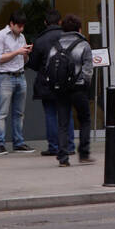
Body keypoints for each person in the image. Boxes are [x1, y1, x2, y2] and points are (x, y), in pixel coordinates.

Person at [26, 8, 75, 157]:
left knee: (51, 115)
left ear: (45, 22)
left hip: (46, 83)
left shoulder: (40, 41)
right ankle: (70, 146)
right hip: (66, 82)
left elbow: (33, 64)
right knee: (67, 114)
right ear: (60, 22)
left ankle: (54, 147)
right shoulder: (69, 37)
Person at [48, 15, 94, 168]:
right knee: (85, 119)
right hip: (79, 89)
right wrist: (85, 85)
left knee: (62, 123)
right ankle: (84, 154)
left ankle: (63, 158)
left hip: (60, 89)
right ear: (79, 29)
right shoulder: (84, 45)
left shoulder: (55, 45)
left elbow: (49, 66)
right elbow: (88, 70)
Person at [0, 11, 34, 154]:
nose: (21, 29)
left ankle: (18, 142)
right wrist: (17, 52)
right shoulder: (0, 36)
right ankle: (0, 143)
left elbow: (24, 60)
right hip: (6, 76)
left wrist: (26, 53)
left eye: (23, 26)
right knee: (2, 112)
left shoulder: (21, 37)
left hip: (20, 75)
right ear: (11, 24)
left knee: (19, 113)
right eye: (19, 26)